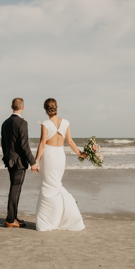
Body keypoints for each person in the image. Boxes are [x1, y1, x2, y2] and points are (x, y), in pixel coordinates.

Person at [33, 98, 86, 232]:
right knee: (56, 185)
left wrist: (35, 161)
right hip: (60, 156)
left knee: (48, 185)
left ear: (45, 109)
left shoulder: (45, 124)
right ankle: (65, 218)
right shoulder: (66, 122)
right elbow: (70, 142)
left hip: (49, 156)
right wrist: (80, 153)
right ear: (56, 108)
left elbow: (42, 144)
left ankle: (48, 221)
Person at [0, 97, 37, 228]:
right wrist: (33, 162)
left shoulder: (5, 123)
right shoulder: (22, 123)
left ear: (11, 107)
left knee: (15, 188)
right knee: (15, 189)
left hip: (9, 160)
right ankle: (10, 219)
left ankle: (13, 216)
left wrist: (6, 157)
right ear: (23, 108)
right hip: (19, 162)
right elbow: (24, 145)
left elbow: (3, 143)